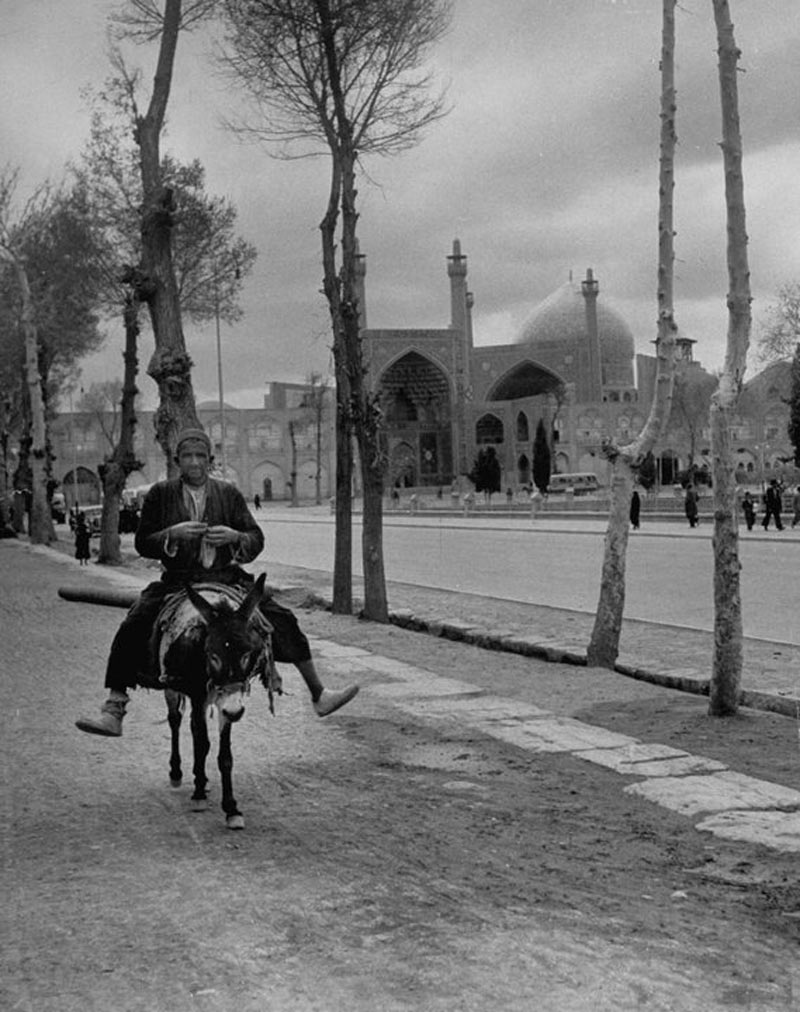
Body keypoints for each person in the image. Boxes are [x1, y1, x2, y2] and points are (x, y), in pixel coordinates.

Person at [76, 428, 358, 737]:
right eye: (187, 457)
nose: (194, 463)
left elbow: (256, 538)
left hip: (227, 579)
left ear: (210, 460)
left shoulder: (229, 494)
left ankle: (318, 694)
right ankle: (114, 708)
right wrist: (172, 535)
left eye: (200, 457)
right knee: (134, 622)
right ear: (177, 460)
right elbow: (143, 541)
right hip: (178, 582)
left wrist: (236, 537)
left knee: (283, 619)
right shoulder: (160, 494)